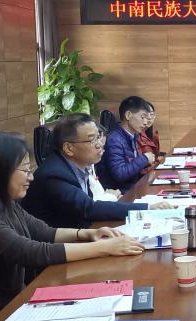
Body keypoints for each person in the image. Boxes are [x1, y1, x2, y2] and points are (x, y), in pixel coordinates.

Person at [0, 132, 145, 321]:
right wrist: (104, 248)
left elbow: (44, 232)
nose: (31, 177)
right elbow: (35, 252)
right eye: (25, 170)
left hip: (10, 304)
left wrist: (86, 234)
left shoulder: (3, 202)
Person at [22, 113, 168, 229]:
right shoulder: (55, 175)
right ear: (68, 148)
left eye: (98, 137)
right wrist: (147, 208)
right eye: (92, 140)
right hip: (55, 250)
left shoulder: (77, 166)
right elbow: (89, 208)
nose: (99, 145)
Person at [97, 96, 162, 192]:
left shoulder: (132, 136)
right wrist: (144, 159)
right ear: (128, 115)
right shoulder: (114, 140)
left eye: (147, 118)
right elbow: (120, 174)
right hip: (119, 193)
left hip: (132, 188)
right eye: (142, 117)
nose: (145, 122)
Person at [137, 100, 162, 176]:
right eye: (145, 115)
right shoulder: (136, 136)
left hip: (152, 173)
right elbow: (140, 169)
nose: (149, 118)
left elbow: (155, 158)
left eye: (151, 114)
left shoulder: (153, 134)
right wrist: (158, 163)